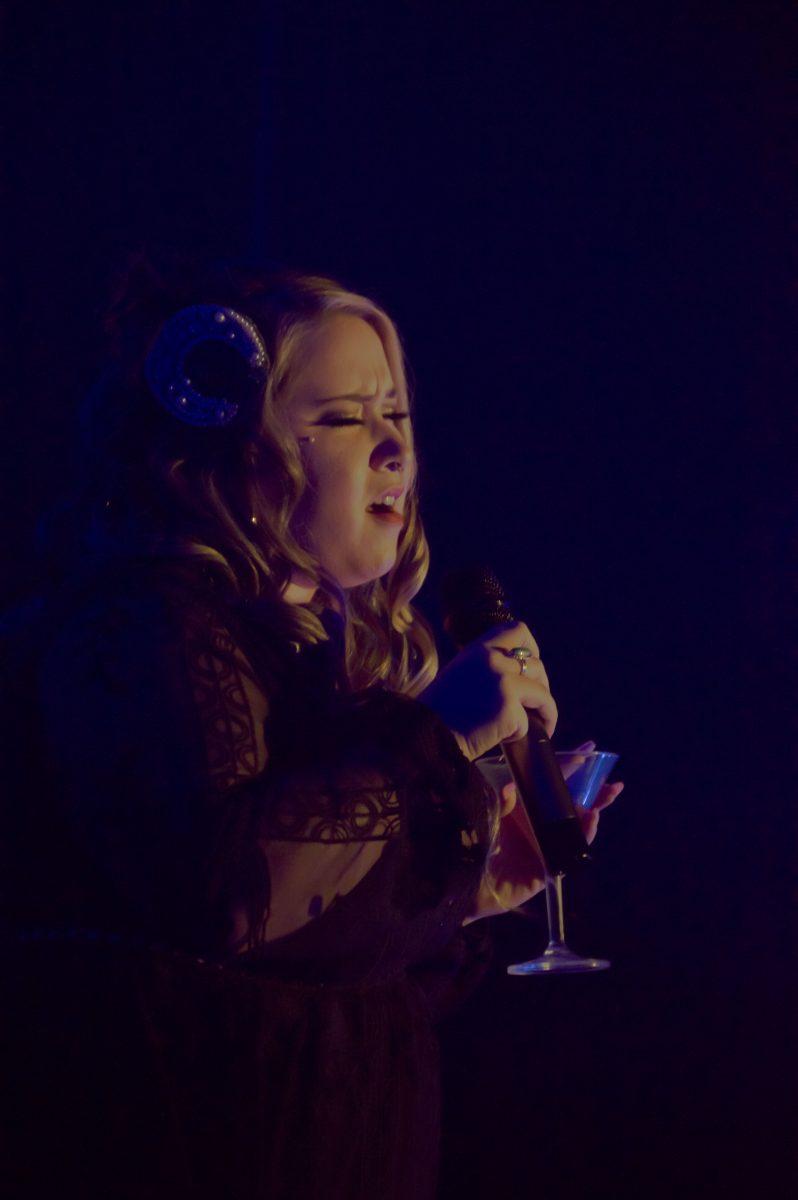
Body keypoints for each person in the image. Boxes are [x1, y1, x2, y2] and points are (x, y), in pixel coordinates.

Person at [0, 252, 621, 1199]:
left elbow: (331, 1001)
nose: (394, 454)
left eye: (397, 417)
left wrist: (473, 892)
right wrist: (435, 741)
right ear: (235, 451)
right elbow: (221, 896)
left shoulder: (337, 664)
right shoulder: (146, 626)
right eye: (342, 418)